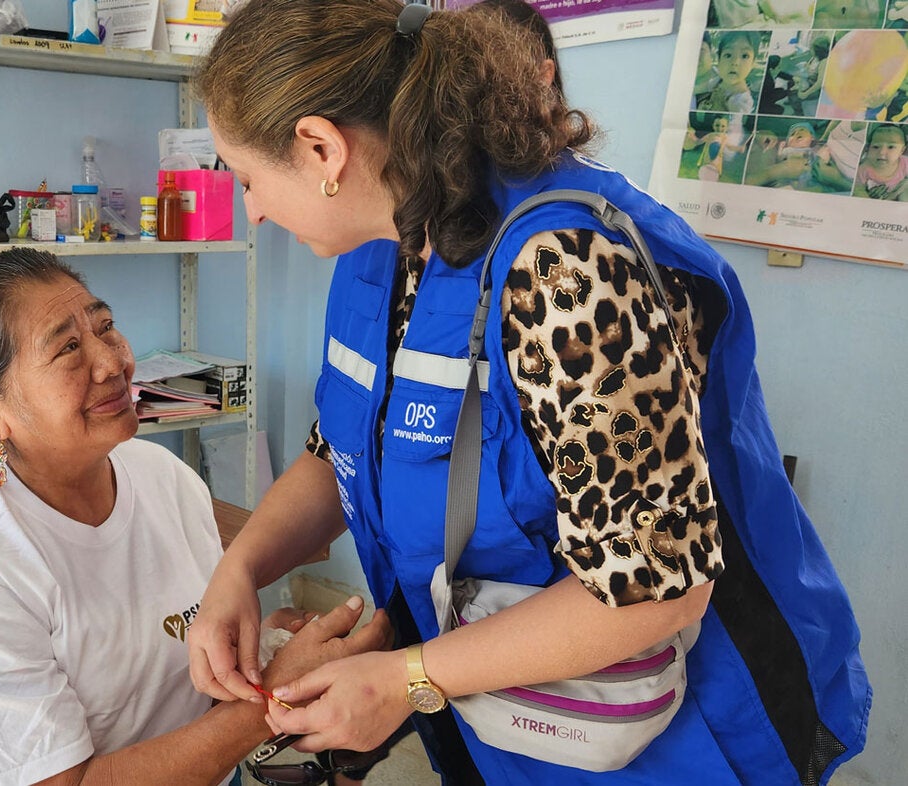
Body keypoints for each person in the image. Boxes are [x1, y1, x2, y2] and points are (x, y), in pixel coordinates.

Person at [186, 1, 871, 784]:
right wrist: (238, 570)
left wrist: (407, 679)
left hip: (663, 729)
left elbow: (656, 585)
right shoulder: (383, 246)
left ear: (321, 148)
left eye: (247, 178)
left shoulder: (563, 272)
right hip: (499, 713)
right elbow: (344, 443)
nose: (254, 211)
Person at [0, 248, 392, 786]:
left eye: (105, 328)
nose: (113, 363)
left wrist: (254, 652)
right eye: (69, 349)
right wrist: (271, 700)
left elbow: (155, 657)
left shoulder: (159, 475)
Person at [697, 31, 760, 114]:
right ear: (719, 60)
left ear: (753, 63)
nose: (735, 62)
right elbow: (701, 88)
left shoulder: (742, 100)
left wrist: (719, 104)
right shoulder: (719, 80)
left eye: (745, 56)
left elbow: (732, 124)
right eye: (728, 55)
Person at [853, 123, 908, 199]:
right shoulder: (864, 168)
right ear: (868, 148)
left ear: (902, 150)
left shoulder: (905, 163)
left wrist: (896, 193)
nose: (882, 152)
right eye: (875, 147)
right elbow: (857, 189)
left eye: (891, 147)